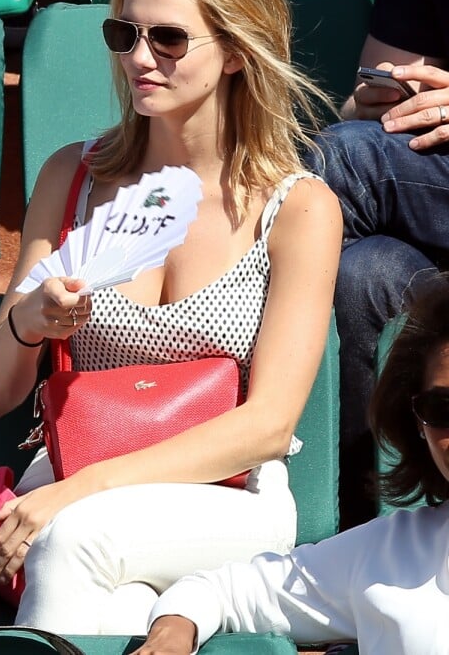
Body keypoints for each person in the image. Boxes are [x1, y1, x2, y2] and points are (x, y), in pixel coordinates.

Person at [0, 0, 342, 634]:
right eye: (124, 35)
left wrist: (79, 491)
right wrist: (27, 322)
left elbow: (268, 425)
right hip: (73, 476)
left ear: (235, 51)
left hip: (226, 496)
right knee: (119, 605)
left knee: (75, 536)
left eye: (168, 39)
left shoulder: (297, 207)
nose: (140, 57)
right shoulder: (72, 177)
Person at [134, 274, 449, 655]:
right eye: (442, 409)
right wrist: (171, 635)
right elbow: (219, 592)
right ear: (418, 423)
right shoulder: (388, 554)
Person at [306, 0, 449, 529]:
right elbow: (366, 97)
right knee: (358, 273)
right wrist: (373, 100)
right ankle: (368, 535)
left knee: (346, 163)